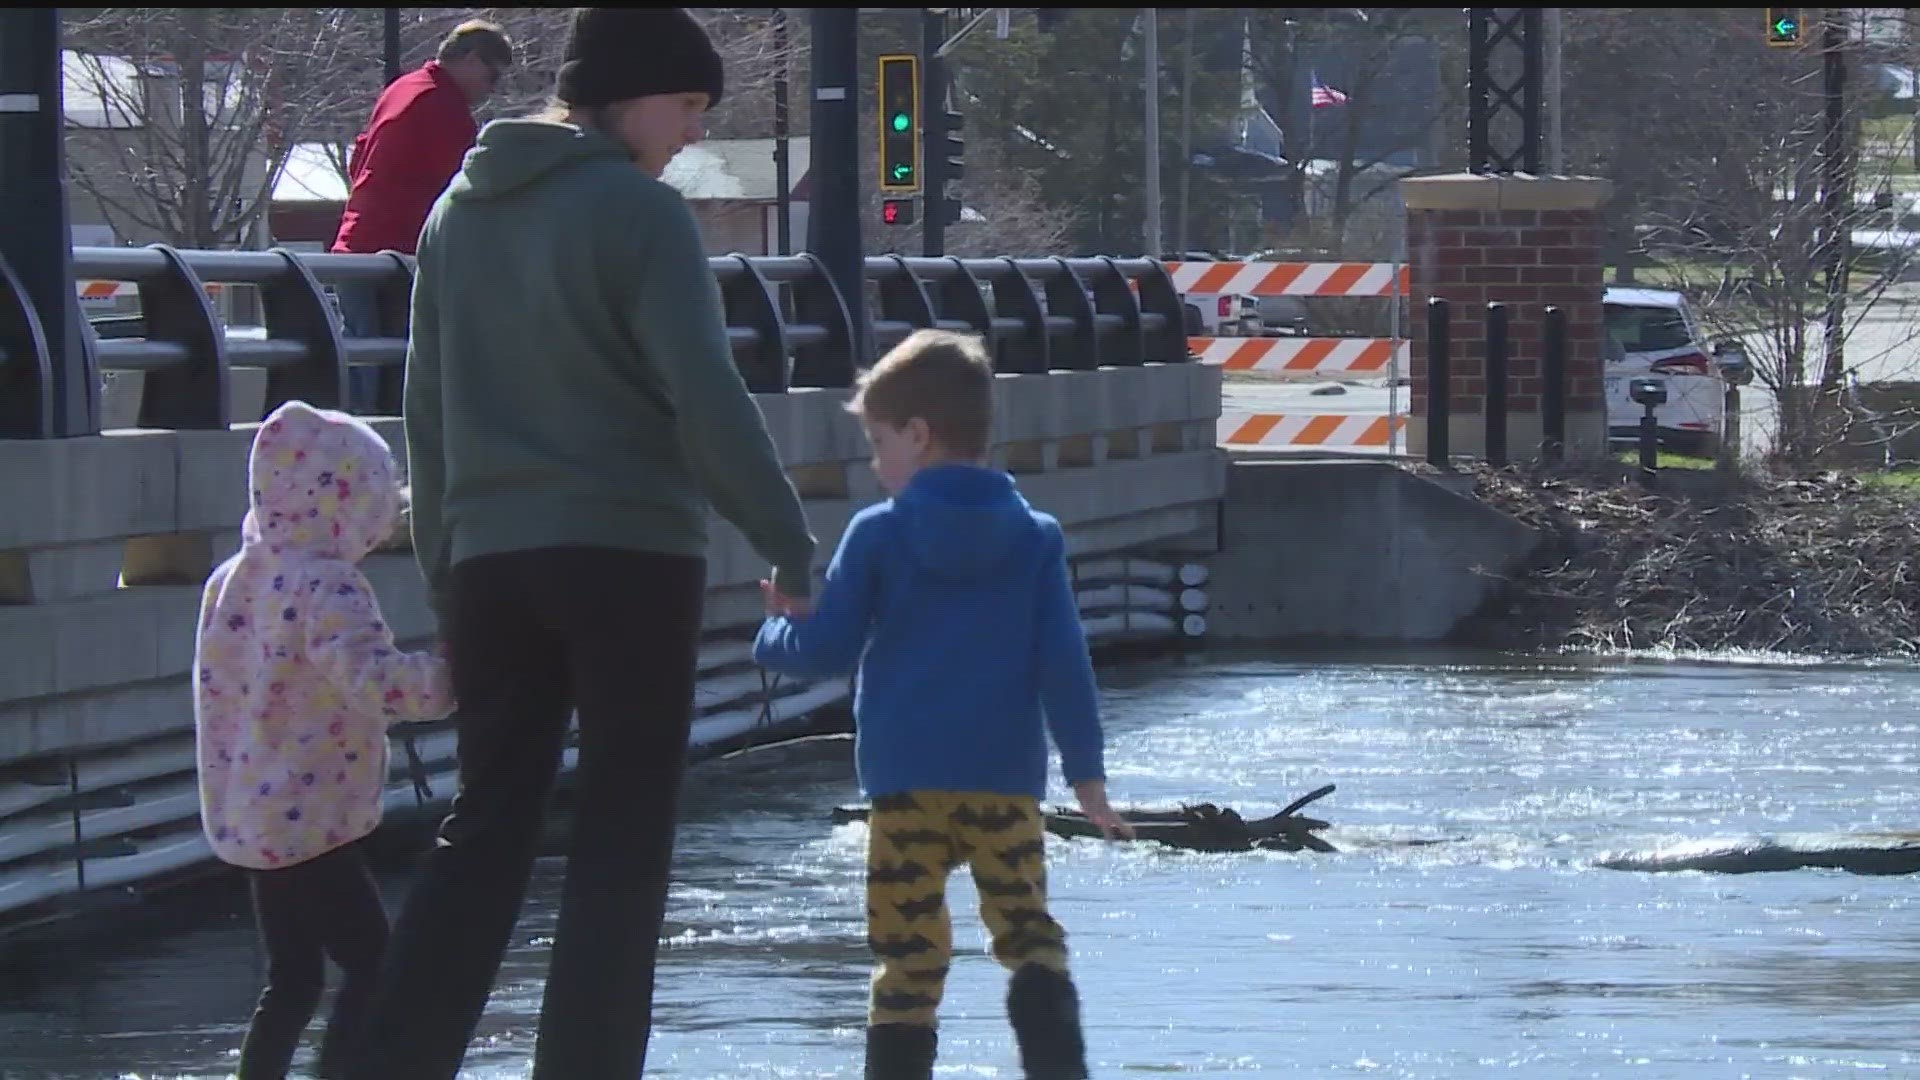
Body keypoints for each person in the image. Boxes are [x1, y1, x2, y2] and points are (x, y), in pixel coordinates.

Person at [342, 9, 817, 1079]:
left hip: (491, 566)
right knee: (621, 841)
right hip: (629, 557)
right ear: (622, 93)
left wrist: (445, 579)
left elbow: (428, 412)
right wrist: (786, 542)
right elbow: (705, 395)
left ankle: (388, 1064)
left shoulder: (458, 215)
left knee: (485, 830)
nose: (692, 132)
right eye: (687, 105)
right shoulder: (638, 215)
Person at [753, 329, 1134, 1080]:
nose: (875, 463)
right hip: (1005, 785)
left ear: (918, 435)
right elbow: (1065, 664)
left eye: (878, 442)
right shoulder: (1035, 539)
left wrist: (772, 632)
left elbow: (828, 650)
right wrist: (1087, 776)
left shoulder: (879, 533)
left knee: (907, 962)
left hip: (905, 787)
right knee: (1029, 937)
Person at [192, 399, 455, 1079]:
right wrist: (452, 680)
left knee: (294, 978)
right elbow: (370, 678)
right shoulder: (328, 584)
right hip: (311, 818)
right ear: (347, 503)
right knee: (374, 963)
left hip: (253, 808)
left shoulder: (233, 579)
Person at [330, 18, 515, 413]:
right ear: (469, 59)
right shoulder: (444, 108)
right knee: (396, 381)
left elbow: (360, 161)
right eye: (492, 75)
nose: (491, 90)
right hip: (396, 256)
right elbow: (467, 194)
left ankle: (353, 457)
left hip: (354, 246)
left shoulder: (402, 89)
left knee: (362, 365)